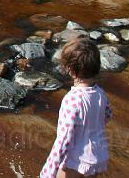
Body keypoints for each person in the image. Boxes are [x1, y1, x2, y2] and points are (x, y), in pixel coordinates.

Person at [41, 38, 111, 178]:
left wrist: (49, 170)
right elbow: (107, 115)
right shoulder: (100, 93)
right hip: (98, 155)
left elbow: (64, 138)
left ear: (70, 69)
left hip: (76, 159)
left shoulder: (72, 99)